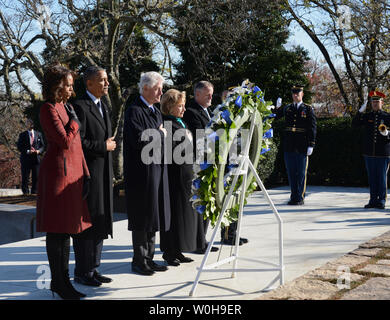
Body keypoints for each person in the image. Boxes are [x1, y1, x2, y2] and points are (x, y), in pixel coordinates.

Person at [36, 64, 92, 300]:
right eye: (68, 85)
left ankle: (64, 281)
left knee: (67, 232)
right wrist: (76, 123)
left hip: (73, 174)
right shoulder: (48, 109)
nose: (72, 89)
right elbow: (64, 141)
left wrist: (86, 173)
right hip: (57, 176)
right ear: (57, 86)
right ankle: (58, 282)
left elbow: (77, 148)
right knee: (57, 232)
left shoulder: (65, 106)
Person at [123, 71, 171, 276]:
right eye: (158, 88)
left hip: (156, 169)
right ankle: (139, 260)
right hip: (141, 174)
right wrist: (160, 133)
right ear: (146, 88)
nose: (162, 92)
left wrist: (158, 135)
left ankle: (149, 258)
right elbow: (141, 139)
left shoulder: (155, 111)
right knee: (142, 216)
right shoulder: (134, 110)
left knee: (153, 215)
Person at [72, 66, 116, 287]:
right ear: (89, 83)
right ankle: (83, 271)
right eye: (102, 80)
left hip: (104, 176)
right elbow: (78, 142)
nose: (107, 83)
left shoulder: (103, 106)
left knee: (100, 221)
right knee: (88, 224)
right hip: (89, 177)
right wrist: (103, 146)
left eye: (107, 79)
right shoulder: (80, 107)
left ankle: (94, 268)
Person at [159, 89, 196, 266]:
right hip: (174, 178)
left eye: (183, 105)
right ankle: (169, 252)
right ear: (170, 107)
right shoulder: (167, 124)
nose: (183, 109)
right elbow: (170, 153)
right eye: (180, 106)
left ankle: (178, 250)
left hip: (185, 176)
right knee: (172, 215)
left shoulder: (180, 122)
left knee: (180, 215)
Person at [183, 81, 218, 254]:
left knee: (207, 201)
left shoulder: (208, 111)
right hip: (199, 163)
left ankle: (202, 239)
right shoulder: (191, 112)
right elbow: (200, 136)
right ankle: (197, 242)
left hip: (209, 162)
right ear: (197, 95)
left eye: (211, 94)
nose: (211, 97)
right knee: (200, 202)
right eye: (207, 94)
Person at [273, 84, 317, 205]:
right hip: (289, 144)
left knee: (301, 173)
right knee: (291, 172)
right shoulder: (287, 108)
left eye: (298, 93)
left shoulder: (308, 109)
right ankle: (293, 196)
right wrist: (277, 108)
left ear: (302, 94)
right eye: (294, 93)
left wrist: (311, 144)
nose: (295, 95)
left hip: (302, 144)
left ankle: (300, 197)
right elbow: (275, 117)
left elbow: (312, 127)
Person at [219, 89, 248, 246]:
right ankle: (227, 235)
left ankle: (234, 233)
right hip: (227, 163)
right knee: (228, 199)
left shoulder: (237, 115)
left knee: (237, 199)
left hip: (238, 160)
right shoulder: (221, 114)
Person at [352, 90, 390, 209]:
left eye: (377, 102)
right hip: (369, 152)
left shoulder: (387, 117)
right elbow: (354, 125)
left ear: (381, 102)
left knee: (382, 177)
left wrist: (387, 133)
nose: (375, 104)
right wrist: (359, 112)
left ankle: (382, 200)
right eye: (373, 102)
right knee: (372, 177)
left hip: (383, 153)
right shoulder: (367, 116)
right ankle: (373, 200)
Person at [17, 118, 45, 195]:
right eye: (27, 123)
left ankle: (34, 192)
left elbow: (43, 146)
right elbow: (19, 147)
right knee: (25, 176)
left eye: (29, 123)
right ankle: (25, 192)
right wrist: (28, 151)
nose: (28, 124)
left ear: (32, 124)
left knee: (36, 176)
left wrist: (38, 151)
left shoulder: (39, 134)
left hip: (36, 159)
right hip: (26, 158)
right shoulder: (22, 135)